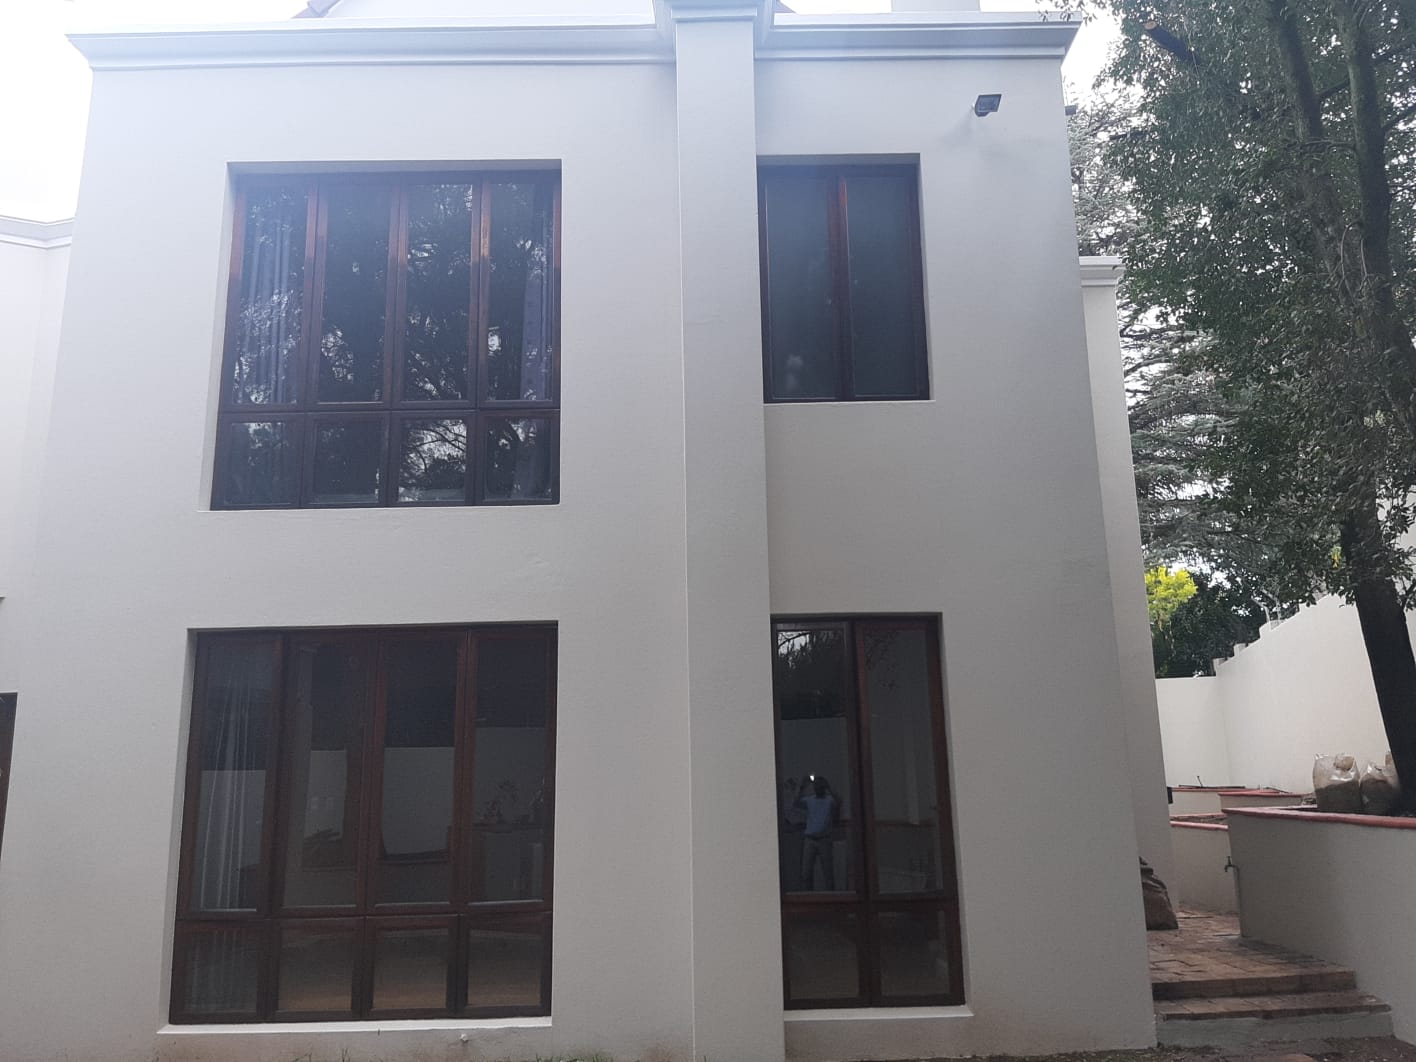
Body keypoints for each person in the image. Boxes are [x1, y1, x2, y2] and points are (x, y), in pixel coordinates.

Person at [795, 775, 838, 890]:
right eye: (816, 785)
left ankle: (831, 897)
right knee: (806, 873)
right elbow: (796, 802)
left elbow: (839, 802)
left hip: (824, 839)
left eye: (820, 785)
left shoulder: (829, 800)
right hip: (810, 839)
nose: (817, 787)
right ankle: (807, 896)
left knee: (828, 873)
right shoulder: (809, 800)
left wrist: (829, 787)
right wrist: (802, 786)